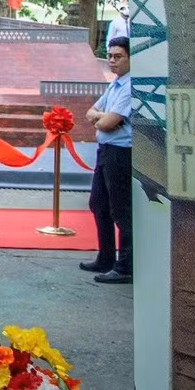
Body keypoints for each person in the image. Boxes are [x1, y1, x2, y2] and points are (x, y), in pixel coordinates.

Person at [82, 36, 134, 284]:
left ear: (131, 59)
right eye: (110, 56)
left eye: (118, 57)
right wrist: (101, 117)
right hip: (105, 149)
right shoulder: (115, 84)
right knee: (99, 204)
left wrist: (101, 118)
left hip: (120, 153)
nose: (112, 61)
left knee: (120, 210)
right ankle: (105, 257)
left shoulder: (131, 86)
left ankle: (126, 265)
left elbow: (105, 122)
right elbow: (90, 112)